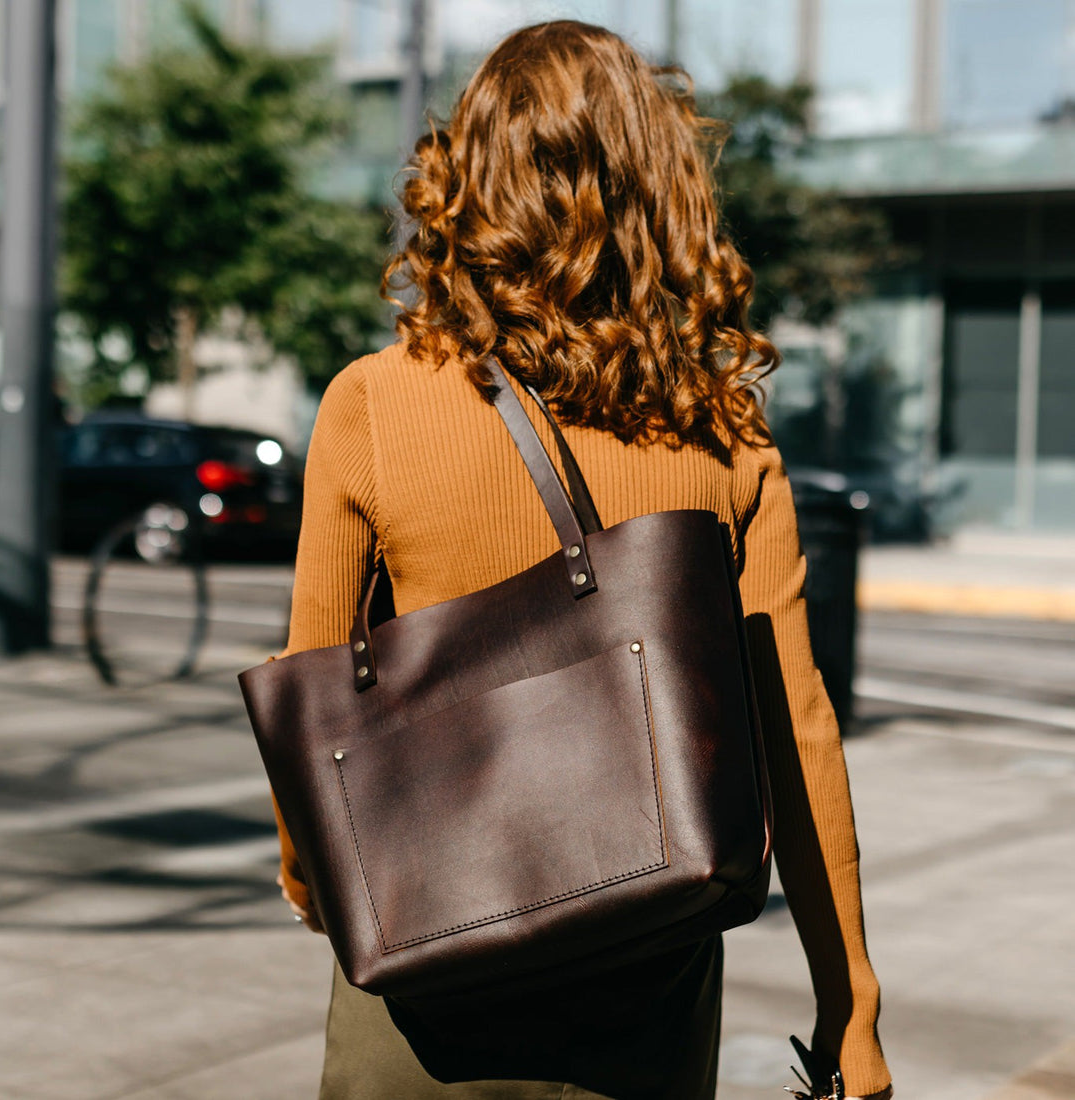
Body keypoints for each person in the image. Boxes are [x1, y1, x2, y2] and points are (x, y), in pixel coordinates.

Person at [272, 20, 893, 1100]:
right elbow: (794, 731)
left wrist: (319, 883)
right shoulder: (722, 434)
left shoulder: (374, 402)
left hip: (428, 988)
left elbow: (314, 695)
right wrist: (849, 1005)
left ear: (465, 184)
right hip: (646, 981)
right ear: (655, 189)